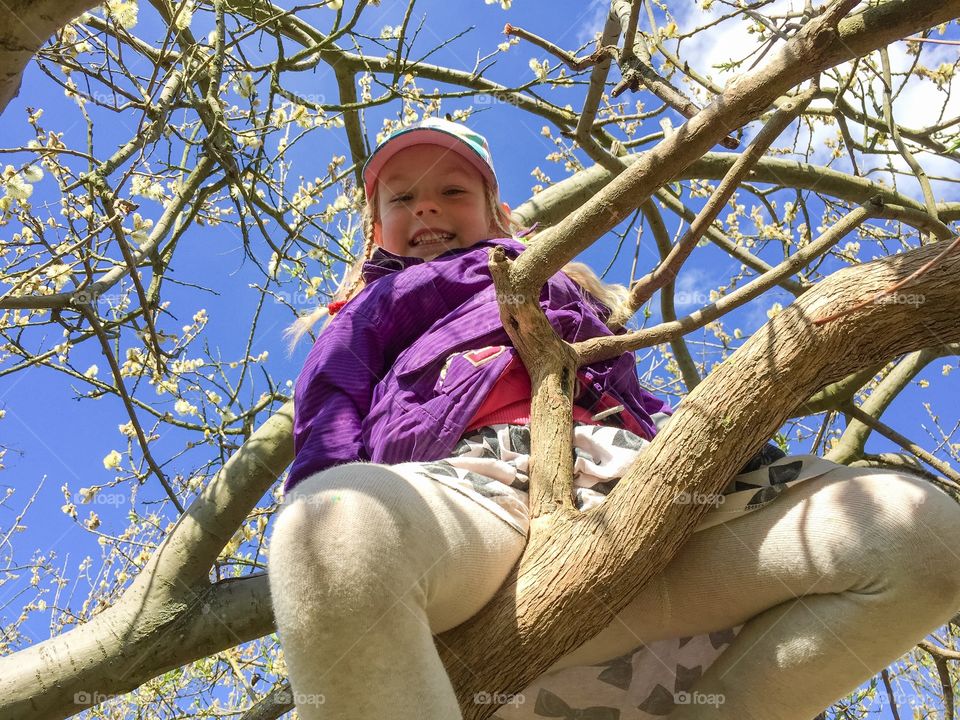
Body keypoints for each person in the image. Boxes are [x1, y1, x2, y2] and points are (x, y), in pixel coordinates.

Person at [267, 117, 960, 720]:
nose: (426, 208)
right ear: (376, 226)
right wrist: (328, 487)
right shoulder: (375, 305)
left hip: (625, 481)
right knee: (330, 536)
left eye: (453, 192)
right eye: (402, 198)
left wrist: (729, 456)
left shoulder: (549, 278)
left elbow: (640, 406)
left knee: (920, 533)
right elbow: (331, 398)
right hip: (474, 497)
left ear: (498, 213)